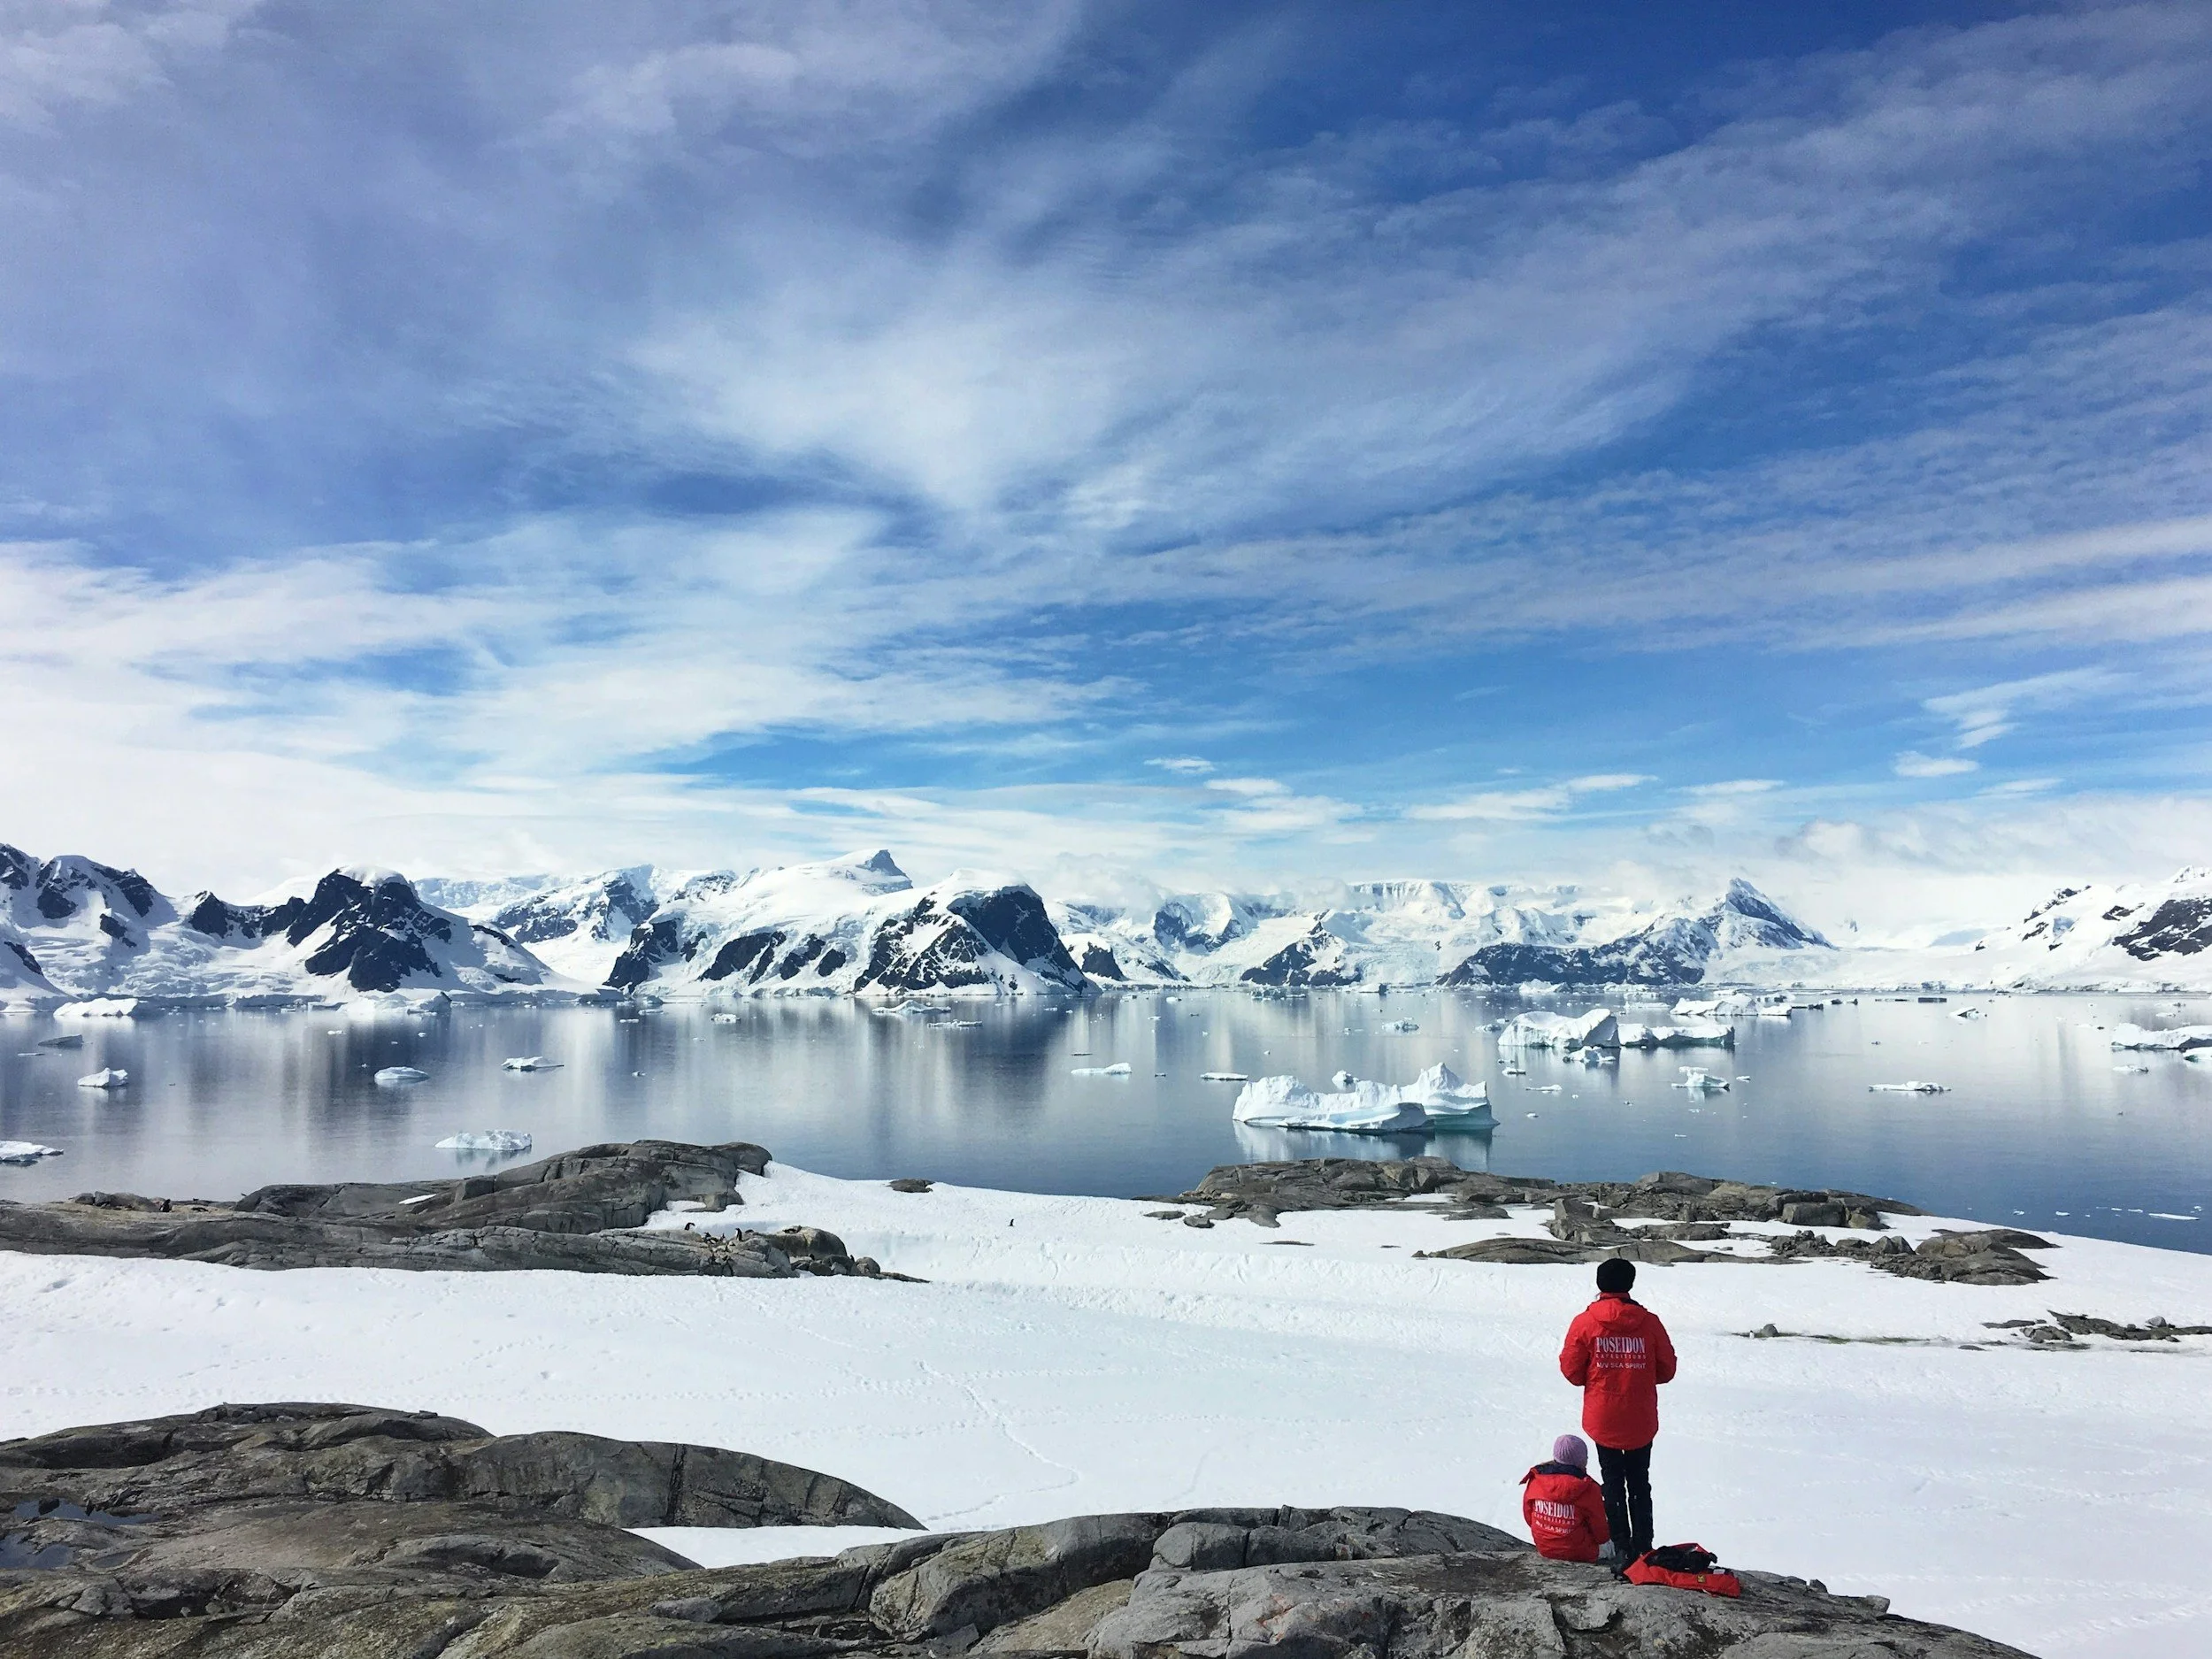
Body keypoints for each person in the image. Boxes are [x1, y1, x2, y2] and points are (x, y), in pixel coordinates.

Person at [1558, 1256, 1676, 1561]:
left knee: (1612, 1481)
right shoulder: (1649, 1323)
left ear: (1600, 1285)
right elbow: (1667, 1369)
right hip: (1640, 1417)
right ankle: (1644, 1546)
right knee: (1639, 1480)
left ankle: (1621, 1546)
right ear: (1630, 1285)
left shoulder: (1585, 1322)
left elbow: (1572, 1372)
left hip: (1603, 1416)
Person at [1519, 1432, 1609, 1562]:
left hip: (1545, 1549)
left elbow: (1529, 1518)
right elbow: (1602, 1536)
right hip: (1582, 1553)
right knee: (1617, 1543)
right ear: (1582, 1461)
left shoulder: (1536, 1480)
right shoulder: (1589, 1489)